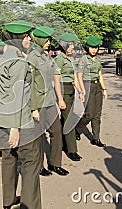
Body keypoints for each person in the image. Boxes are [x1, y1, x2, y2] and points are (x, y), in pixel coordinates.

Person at [0, 20, 42, 209]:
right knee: (31, 163)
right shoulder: (20, 61)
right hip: (19, 119)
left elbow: (0, 87)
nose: (29, 39)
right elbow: (17, 93)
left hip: (2, 117)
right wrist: (15, 127)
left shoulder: (5, 56)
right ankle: (29, 205)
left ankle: (8, 200)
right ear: (18, 39)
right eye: (26, 36)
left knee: (8, 159)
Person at [28, 26, 69, 176]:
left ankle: (55, 163)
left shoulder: (47, 56)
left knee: (56, 131)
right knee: (38, 136)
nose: (48, 42)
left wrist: (60, 99)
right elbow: (29, 84)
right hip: (38, 102)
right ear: (38, 40)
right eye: (46, 39)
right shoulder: (32, 57)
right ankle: (38, 166)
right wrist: (33, 108)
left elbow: (55, 78)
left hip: (50, 100)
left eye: (50, 39)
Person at [54, 33, 82, 162]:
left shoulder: (68, 58)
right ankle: (72, 150)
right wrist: (60, 98)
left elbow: (74, 76)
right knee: (69, 119)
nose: (73, 46)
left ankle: (62, 144)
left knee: (65, 119)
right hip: (63, 90)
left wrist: (80, 90)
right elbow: (56, 79)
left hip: (70, 90)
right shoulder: (59, 59)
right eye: (71, 44)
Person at [76, 36, 108, 147]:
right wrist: (82, 90)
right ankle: (77, 129)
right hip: (87, 84)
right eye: (91, 47)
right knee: (89, 114)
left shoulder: (98, 59)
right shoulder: (83, 59)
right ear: (87, 48)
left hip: (97, 87)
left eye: (96, 48)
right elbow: (79, 76)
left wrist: (104, 89)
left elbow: (100, 75)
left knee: (97, 114)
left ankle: (96, 138)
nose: (94, 50)